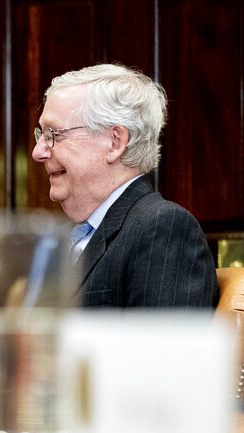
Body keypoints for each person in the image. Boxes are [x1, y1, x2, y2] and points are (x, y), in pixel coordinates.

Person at [31, 63, 218, 308]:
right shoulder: (57, 241)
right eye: (41, 135)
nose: (38, 152)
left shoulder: (164, 227)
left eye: (54, 134)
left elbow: (163, 346)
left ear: (115, 142)